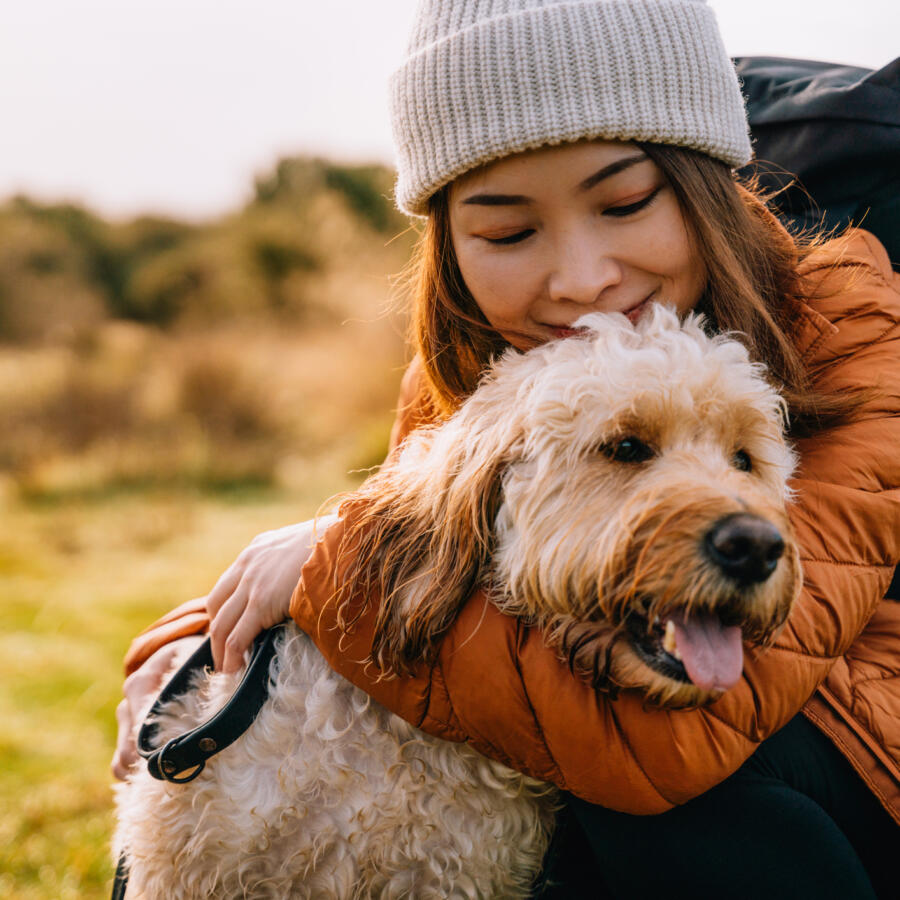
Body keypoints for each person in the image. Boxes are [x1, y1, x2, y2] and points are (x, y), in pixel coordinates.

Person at [112, 1, 900, 896]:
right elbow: (422, 568)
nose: (580, 280)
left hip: (842, 765)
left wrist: (342, 563)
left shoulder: (856, 324)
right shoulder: (489, 362)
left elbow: (670, 741)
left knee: (654, 788)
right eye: (508, 232)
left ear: (705, 186)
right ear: (450, 245)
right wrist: (188, 671)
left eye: (626, 202)